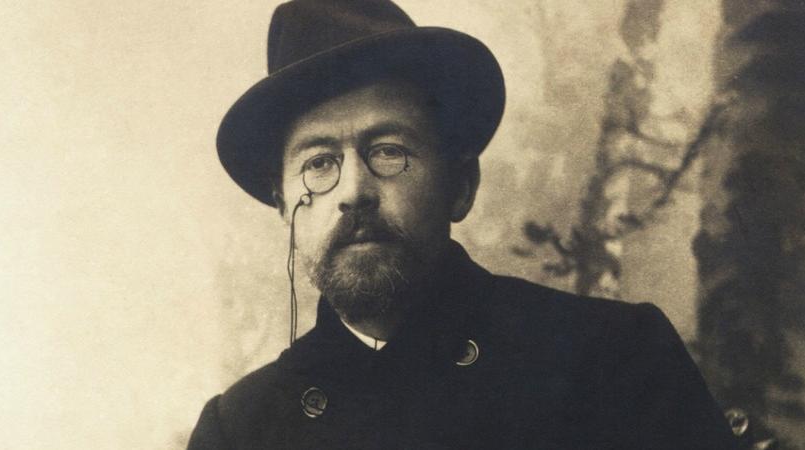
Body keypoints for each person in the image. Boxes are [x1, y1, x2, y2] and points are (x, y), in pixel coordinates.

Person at [188, 0, 738, 448]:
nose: (354, 192)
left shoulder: (613, 360)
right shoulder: (240, 431)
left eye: (388, 150)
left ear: (460, 185)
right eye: (319, 163)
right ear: (285, 206)